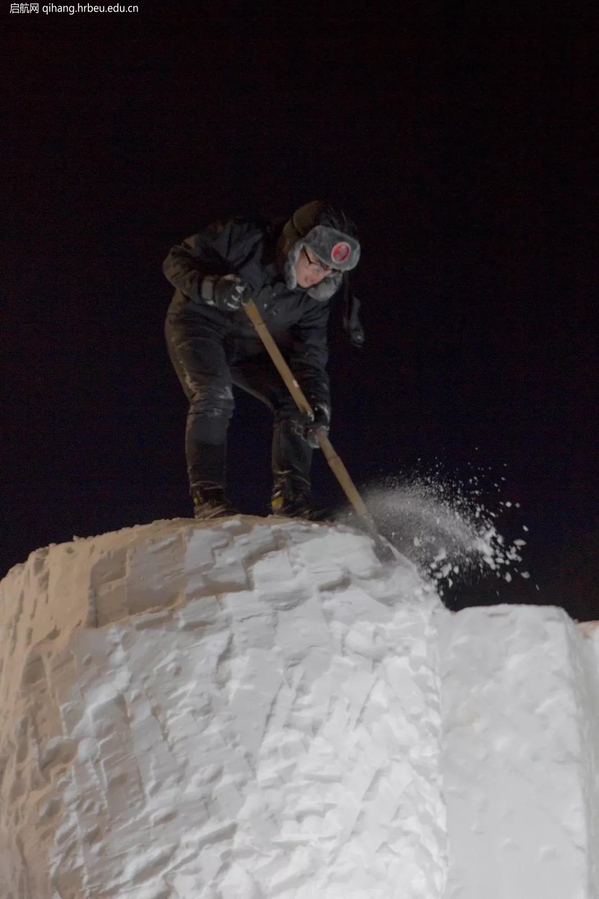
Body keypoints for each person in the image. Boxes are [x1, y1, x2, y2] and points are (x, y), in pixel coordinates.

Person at [163, 199, 363, 520]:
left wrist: (317, 402)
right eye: (314, 262)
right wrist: (212, 287)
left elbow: (309, 354)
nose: (318, 274)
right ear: (296, 245)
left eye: (330, 270)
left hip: (251, 344)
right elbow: (176, 259)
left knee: (299, 405)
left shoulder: (314, 297)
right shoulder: (246, 238)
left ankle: (291, 500)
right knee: (214, 395)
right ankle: (209, 497)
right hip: (200, 323)